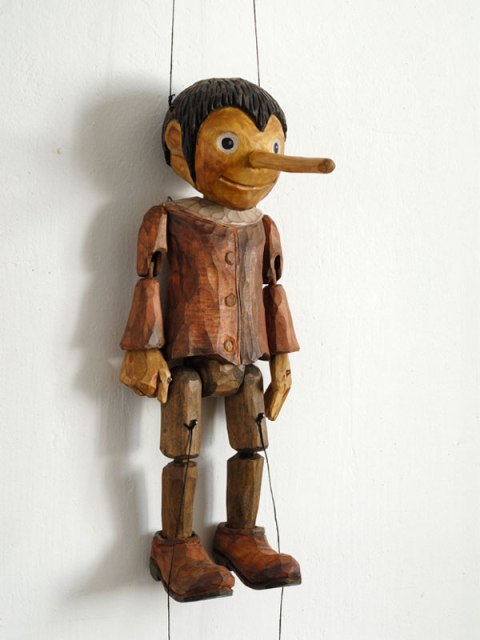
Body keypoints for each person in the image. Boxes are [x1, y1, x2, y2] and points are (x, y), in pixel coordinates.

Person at [119, 77, 334, 602]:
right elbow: (148, 282)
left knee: (253, 442)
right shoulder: (169, 219)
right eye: (231, 142)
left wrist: (282, 360)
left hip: (247, 365)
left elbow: (273, 292)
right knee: (183, 449)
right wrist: (144, 350)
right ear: (178, 145)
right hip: (187, 362)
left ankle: (241, 533)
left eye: (273, 146)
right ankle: (175, 544)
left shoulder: (264, 226)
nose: (261, 161)